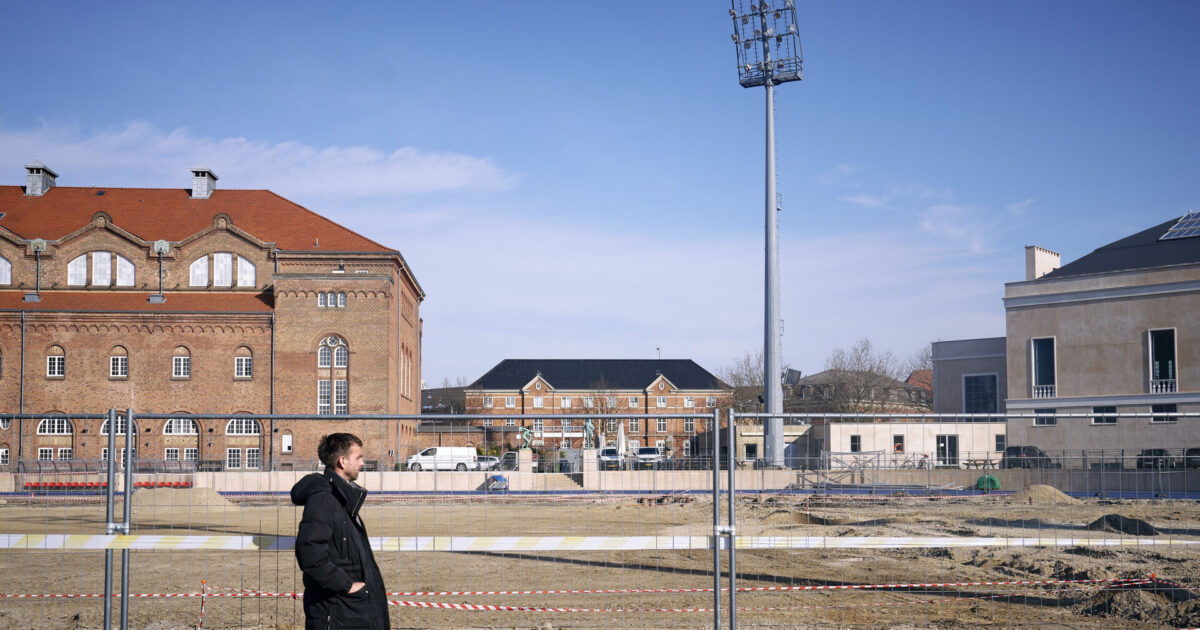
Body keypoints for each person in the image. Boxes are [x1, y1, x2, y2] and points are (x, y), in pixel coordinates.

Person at [291, 433, 389, 629]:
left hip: (351, 610)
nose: (362, 463)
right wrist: (347, 585)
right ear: (342, 461)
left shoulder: (342, 499)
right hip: (338, 612)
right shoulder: (324, 500)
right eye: (359, 457)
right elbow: (310, 553)